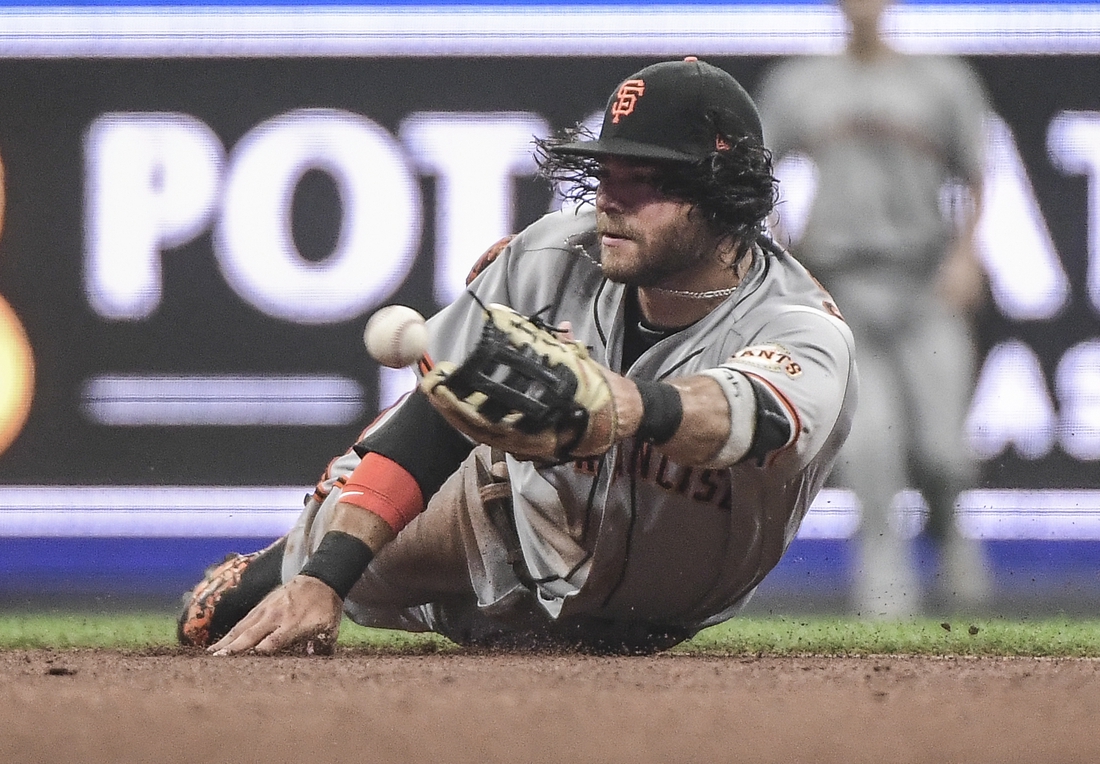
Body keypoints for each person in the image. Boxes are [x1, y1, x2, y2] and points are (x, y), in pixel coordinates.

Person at [177, 57, 858, 656]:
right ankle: (277, 567)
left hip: (672, 599)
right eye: (606, 170)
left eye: (646, 178)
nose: (610, 198)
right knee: (323, 573)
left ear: (722, 193)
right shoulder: (551, 258)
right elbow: (438, 411)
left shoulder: (801, 326)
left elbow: (752, 417)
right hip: (507, 520)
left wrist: (631, 406)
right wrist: (323, 578)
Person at [754, 0, 992, 618]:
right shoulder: (800, 83)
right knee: (869, 451)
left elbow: (979, 173)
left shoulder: (939, 80)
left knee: (943, 451)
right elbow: (758, 174)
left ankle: (948, 532)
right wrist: (786, 257)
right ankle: (885, 583)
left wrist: (967, 255)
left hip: (922, 283)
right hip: (843, 286)